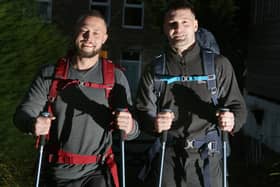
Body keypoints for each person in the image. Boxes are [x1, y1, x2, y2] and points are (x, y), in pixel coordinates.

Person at [13, 10, 139, 187]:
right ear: (75, 32)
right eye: (84, 31)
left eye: (96, 33)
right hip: (56, 171)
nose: (89, 37)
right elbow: (22, 115)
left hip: (97, 171)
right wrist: (32, 124)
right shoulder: (50, 75)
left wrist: (130, 126)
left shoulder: (115, 78)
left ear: (104, 38)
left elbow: (134, 130)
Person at [135, 1, 247, 187]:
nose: (178, 28)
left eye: (185, 22)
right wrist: (153, 122)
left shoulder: (218, 64)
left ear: (195, 25)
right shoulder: (154, 69)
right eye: (172, 23)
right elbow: (141, 111)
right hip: (168, 156)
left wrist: (232, 119)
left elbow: (238, 107)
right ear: (164, 28)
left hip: (208, 159)